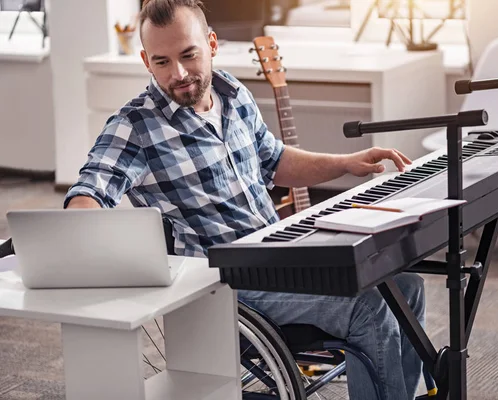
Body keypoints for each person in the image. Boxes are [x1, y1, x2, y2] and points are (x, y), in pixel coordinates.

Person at [64, 0, 426, 398]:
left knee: (404, 285)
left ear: (212, 44)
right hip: (225, 287)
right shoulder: (135, 126)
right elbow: (89, 191)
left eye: (188, 55)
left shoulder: (232, 93)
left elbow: (274, 160)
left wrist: (347, 163)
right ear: (146, 61)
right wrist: (81, 231)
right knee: (371, 307)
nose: (178, 74)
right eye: (162, 62)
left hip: (279, 254)